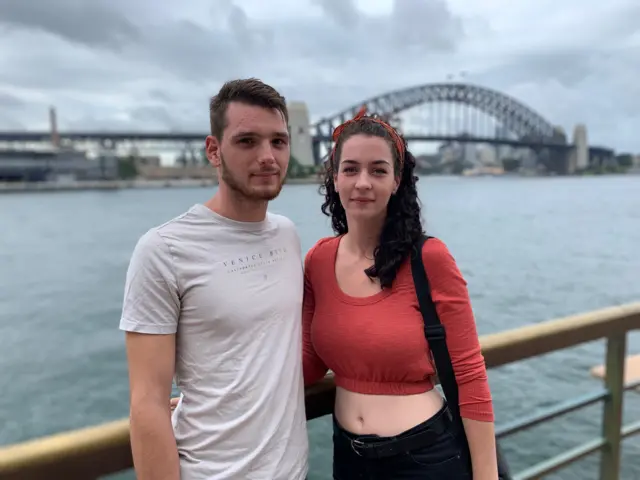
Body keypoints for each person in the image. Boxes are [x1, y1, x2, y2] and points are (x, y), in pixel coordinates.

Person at [120, 78, 309, 480]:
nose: (268, 157)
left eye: (278, 141)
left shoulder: (288, 234)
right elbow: (148, 402)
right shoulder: (163, 250)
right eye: (247, 142)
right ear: (213, 150)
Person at [302, 108, 499, 479]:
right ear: (334, 177)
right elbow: (307, 364)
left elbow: (469, 374)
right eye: (350, 169)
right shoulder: (317, 260)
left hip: (424, 458)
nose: (363, 182)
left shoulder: (429, 258)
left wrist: (486, 474)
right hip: (348, 458)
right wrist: (211, 400)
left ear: (396, 181)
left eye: (378, 170)